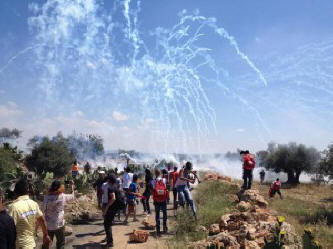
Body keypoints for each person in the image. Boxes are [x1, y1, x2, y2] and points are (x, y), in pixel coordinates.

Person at [8, 178, 51, 249]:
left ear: (15, 192)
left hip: (20, 245)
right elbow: (42, 220)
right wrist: (45, 235)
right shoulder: (34, 204)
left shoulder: (14, 207)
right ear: (27, 191)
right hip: (32, 244)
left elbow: (9, 228)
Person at [42, 180, 75, 249]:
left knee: (46, 244)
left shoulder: (46, 198)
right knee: (61, 244)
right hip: (59, 224)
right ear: (60, 187)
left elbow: (43, 210)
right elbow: (72, 197)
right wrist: (72, 186)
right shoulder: (62, 196)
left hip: (48, 225)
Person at [103, 174, 123, 248]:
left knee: (107, 225)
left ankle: (109, 243)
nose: (107, 180)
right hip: (114, 208)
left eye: (108, 179)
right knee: (108, 225)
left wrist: (107, 207)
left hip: (111, 209)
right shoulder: (115, 187)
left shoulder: (111, 188)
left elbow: (113, 198)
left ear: (109, 180)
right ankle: (109, 242)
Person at [151, 169, 168, 236]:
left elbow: (152, 190)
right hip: (163, 200)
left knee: (157, 214)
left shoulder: (153, 181)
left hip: (156, 200)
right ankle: (164, 227)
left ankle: (158, 229)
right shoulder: (164, 180)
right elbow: (166, 188)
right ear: (160, 173)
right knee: (164, 213)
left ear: (155, 174)